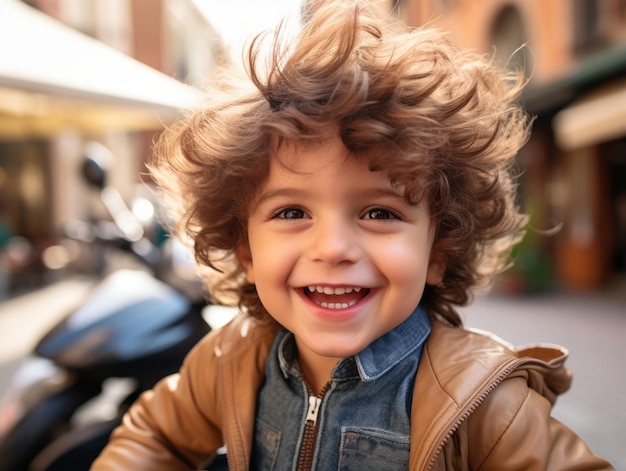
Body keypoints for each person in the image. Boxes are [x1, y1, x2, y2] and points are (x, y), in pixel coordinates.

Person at [91, 1, 614, 469]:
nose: (333, 249)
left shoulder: (484, 401)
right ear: (245, 249)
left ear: (439, 249)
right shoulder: (231, 362)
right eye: (292, 212)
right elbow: (153, 435)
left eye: (380, 214)